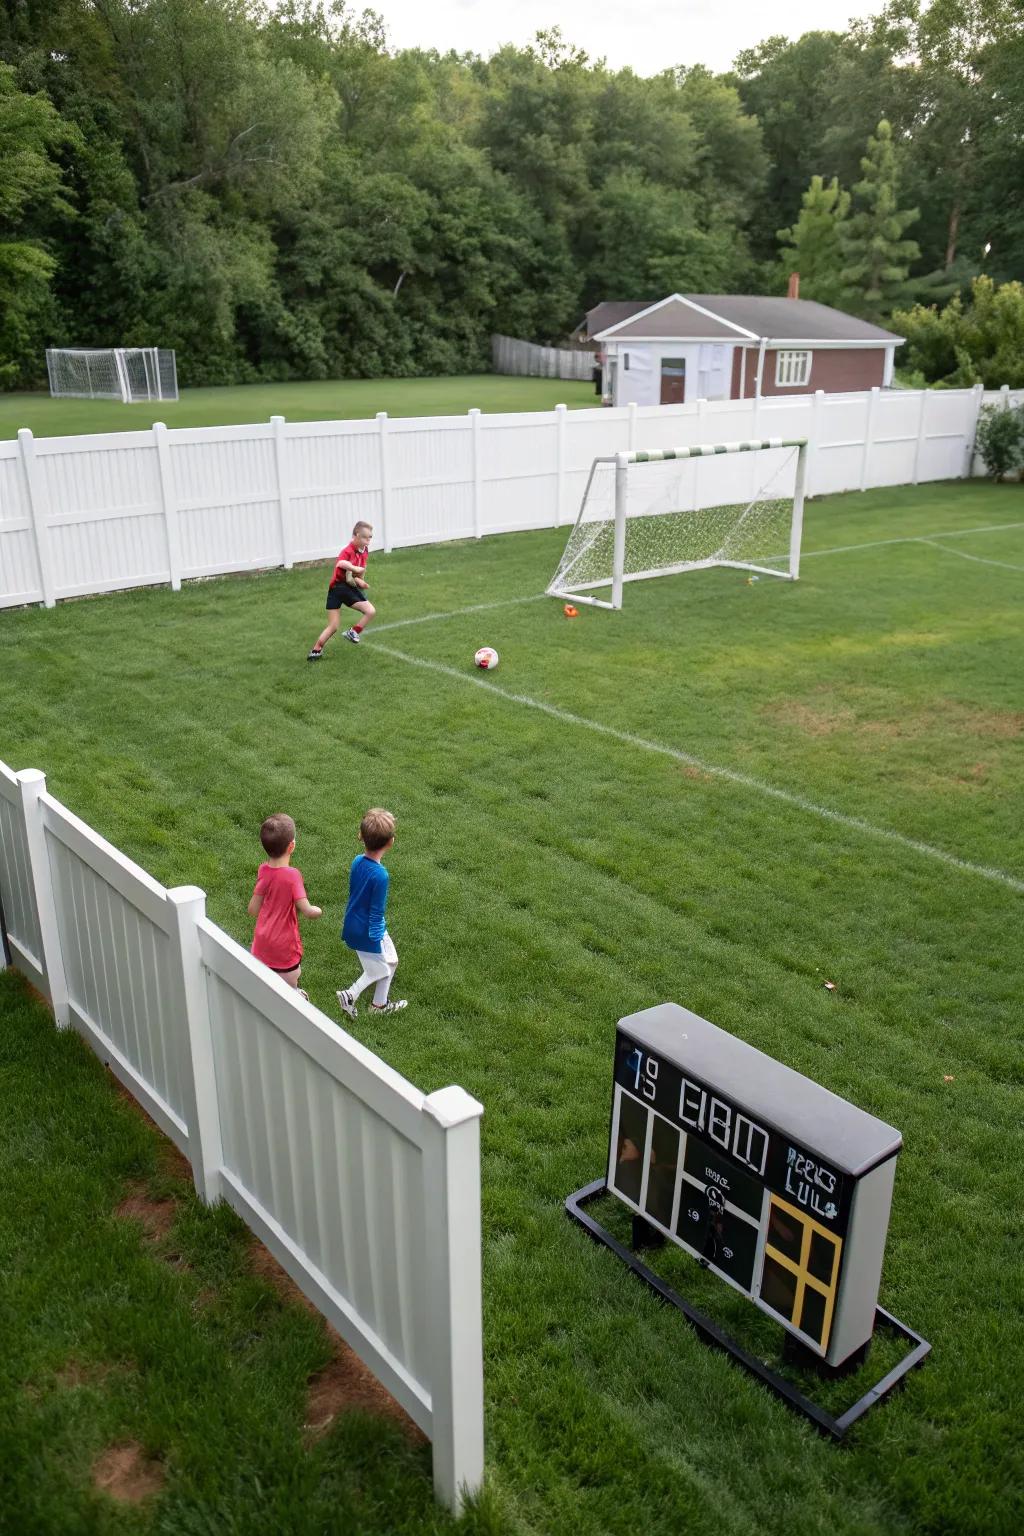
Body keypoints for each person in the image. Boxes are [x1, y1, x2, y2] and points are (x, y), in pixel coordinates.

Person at [336, 807, 407, 1019]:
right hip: (369, 930)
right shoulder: (381, 876)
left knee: (391, 962)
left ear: (361, 837)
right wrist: (377, 942)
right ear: (390, 842)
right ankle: (349, 994)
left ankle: (379, 1005)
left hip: (354, 924)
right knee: (381, 970)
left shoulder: (357, 861)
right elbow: (376, 913)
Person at [248, 813, 321, 995]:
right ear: (291, 846)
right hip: (284, 947)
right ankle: (295, 995)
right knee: (292, 978)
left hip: (261, 944)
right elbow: (306, 910)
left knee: (265, 985)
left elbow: (253, 910)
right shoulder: (293, 876)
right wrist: (316, 911)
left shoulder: (263, 870)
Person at [308, 521, 377, 660]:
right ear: (357, 536)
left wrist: (360, 581)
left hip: (336, 589)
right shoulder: (348, 550)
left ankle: (315, 651)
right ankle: (353, 632)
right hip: (341, 588)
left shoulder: (364, 551)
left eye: (370, 537)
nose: (368, 541)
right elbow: (341, 563)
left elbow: (357, 573)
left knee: (333, 626)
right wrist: (355, 568)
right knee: (370, 611)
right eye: (365, 537)